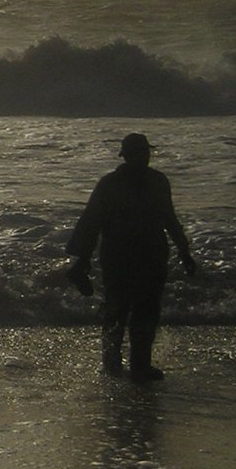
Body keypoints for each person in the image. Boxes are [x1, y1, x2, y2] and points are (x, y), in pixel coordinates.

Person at [66, 133, 196, 381]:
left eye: (145, 154)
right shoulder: (113, 184)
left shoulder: (154, 182)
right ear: (126, 156)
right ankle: (114, 364)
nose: (142, 158)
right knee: (119, 308)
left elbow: (169, 218)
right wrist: (82, 259)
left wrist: (184, 250)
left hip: (149, 254)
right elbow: (92, 222)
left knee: (143, 309)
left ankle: (137, 365)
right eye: (138, 154)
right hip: (121, 255)